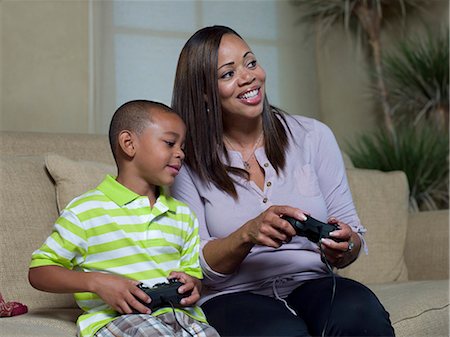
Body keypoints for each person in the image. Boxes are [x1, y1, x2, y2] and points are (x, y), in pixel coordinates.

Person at [170, 25, 395, 337]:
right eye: (228, 73)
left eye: (250, 63)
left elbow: (352, 235)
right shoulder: (187, 160)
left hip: (313, 282)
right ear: (205, 92)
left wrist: (345, 245)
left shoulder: (312, 136)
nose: (248, 76)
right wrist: (247, 234)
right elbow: (195, 262)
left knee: (361, 317)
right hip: (233, 296)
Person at [28, 100, 220, 337]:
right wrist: (97, 282)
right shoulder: (86, 210)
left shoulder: (182, 216)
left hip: (183, 318)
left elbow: (192, 275)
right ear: (129, 144)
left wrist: (192, 284)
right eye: (170, 143)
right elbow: (39, 271)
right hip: (119, 320)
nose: (180, 153)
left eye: (182, 146)